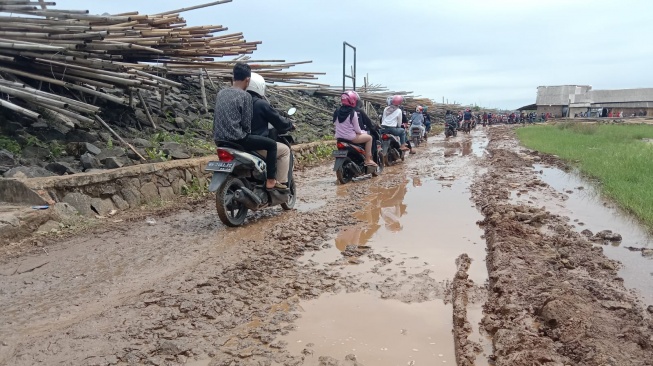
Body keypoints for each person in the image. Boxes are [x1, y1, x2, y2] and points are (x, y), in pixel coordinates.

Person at [213, 63, 285, 190]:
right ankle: (271, 180)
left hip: (219, 140)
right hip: (238, 139)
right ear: (248, 80)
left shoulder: (221, 93)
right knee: (272, 145)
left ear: (233, 77)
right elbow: (246, 125)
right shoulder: (245, 96)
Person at [246, 72, 294, 186]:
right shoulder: (261, 104)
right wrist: (290, 125)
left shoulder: (239, 101)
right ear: (259, 86)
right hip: (256, 144)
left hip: (238, 142)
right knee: (284, 151)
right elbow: (278, 120)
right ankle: (280, 183)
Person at [334, 91, 377, 167]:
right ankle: (368, 160)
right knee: (369, 138)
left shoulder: (337, 111)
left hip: (339, 137)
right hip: (350, 138)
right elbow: (357, 129)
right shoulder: (353, 112)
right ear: (353, 100)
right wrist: (362, 132)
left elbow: (335, 123)